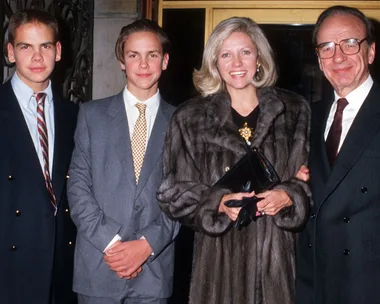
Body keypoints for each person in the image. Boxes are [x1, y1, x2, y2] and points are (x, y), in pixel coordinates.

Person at [157, 16, 311, 304]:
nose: (237, 63)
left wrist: (290, 195)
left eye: (245, 52)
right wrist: (215, 202)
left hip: (277, 263)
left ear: (259, 58)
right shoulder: (190, 118)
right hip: (217, 267)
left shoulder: (294, 111)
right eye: (226, 54)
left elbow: (310, 178)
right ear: (215, 63)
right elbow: (172, 192)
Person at [67, 19, 179, 304]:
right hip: (99, 268)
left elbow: (183, 196)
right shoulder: (91, 116)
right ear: (121, 61)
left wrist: (146, 245)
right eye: (133, 55)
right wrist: (113, 244)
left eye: (152, 55)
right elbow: (78, 190)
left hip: (153, 273)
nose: (143, 64)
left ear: (164, 61)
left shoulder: (182, 122)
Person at [295, 5, 380, 304]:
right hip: (313, 283)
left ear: (370, 52)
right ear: (319, 60)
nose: (339, 56)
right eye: (327, 47)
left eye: (350, 43)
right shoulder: (308, 117)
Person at [0, 9, 78, 304]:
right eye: (25, 47)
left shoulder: (75, 116)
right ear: (10, 52)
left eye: (45, 46)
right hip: (8, 270)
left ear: (58, 51)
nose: (36, 57)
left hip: (61, 272)